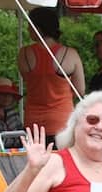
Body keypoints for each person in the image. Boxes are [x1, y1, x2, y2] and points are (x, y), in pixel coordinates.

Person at [18, 7, 85, 147]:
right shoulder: (70, 54)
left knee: (37, 165)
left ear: (38, 27)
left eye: (30, 26)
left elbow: (28, 80)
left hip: (33, 123)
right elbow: (80, 90)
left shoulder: (24, 54)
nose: (28, 29)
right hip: (63, 121)